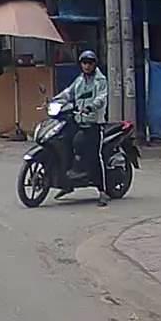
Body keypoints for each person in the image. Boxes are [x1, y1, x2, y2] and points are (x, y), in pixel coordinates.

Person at [55, 50, 110, 206]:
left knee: (94, 156)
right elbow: (69, 93)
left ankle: (102, 191)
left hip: (93, 123)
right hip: (78, 121)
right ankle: (68, 182)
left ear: (94, 64)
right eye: (84, 63)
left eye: (90, 63)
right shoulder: (79, 80)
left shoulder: (100, 80)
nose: (87, 66)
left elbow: (102, 97)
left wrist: (91, 107)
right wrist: (55, 100)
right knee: (64, 142)